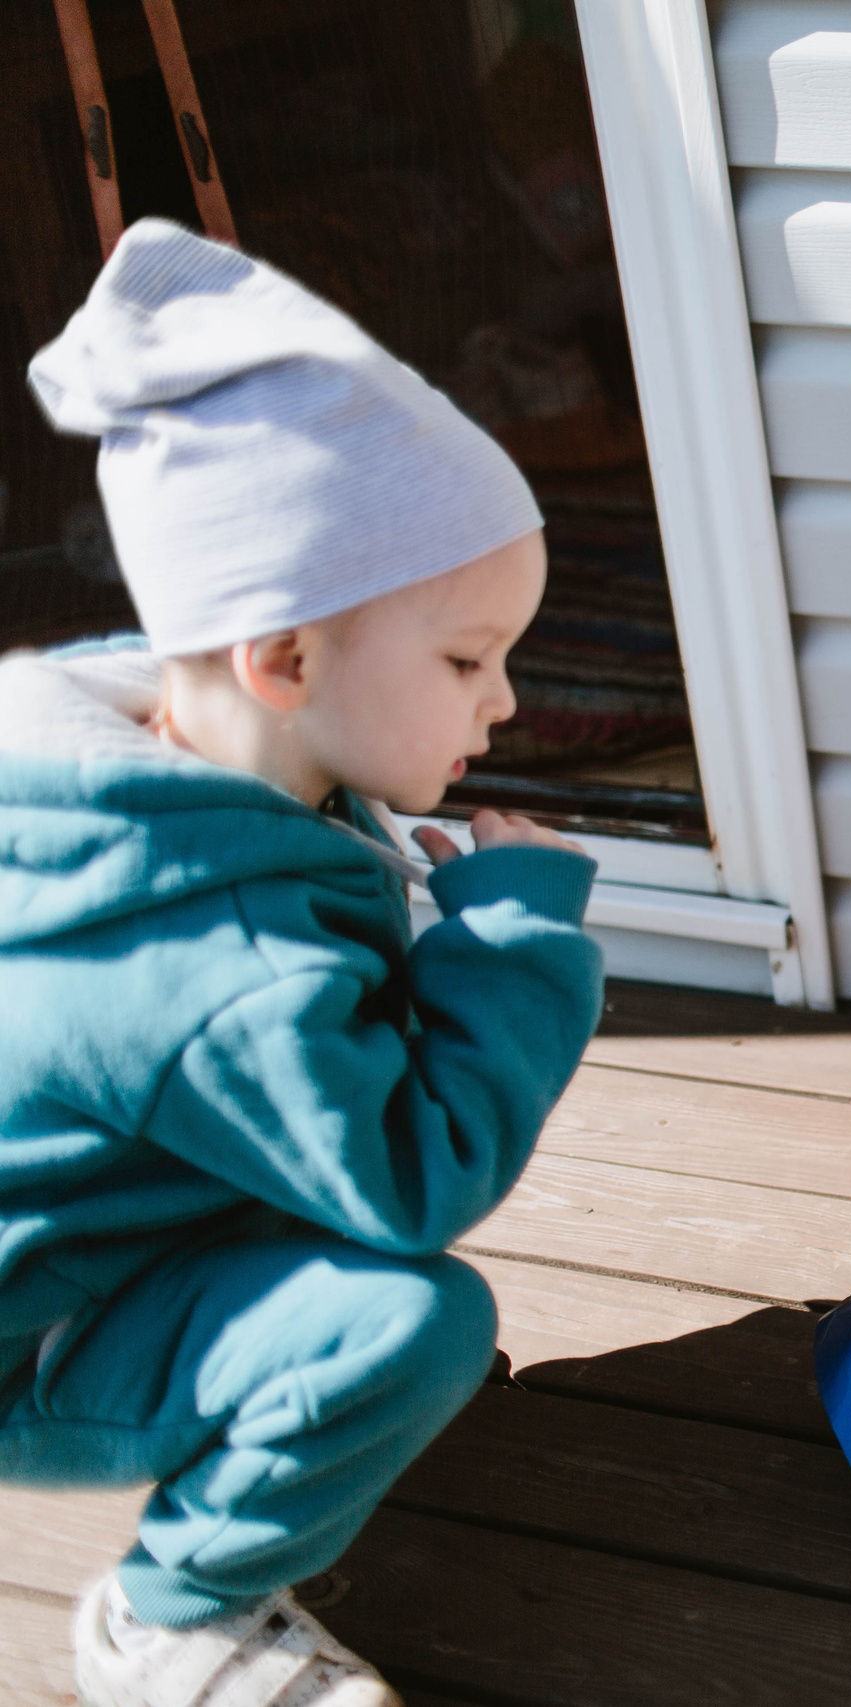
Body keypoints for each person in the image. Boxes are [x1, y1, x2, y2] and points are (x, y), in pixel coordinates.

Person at [3, 222, 605, 1707]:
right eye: (468, 659)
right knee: (413, 1322)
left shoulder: (183, 779)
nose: (507, 698)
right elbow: (411, 1173)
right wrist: (516, 945)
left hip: (108, 1238)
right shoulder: (217, 959)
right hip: (37, 1334)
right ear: (283, 660)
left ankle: (261, 1370)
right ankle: (172, 1613)